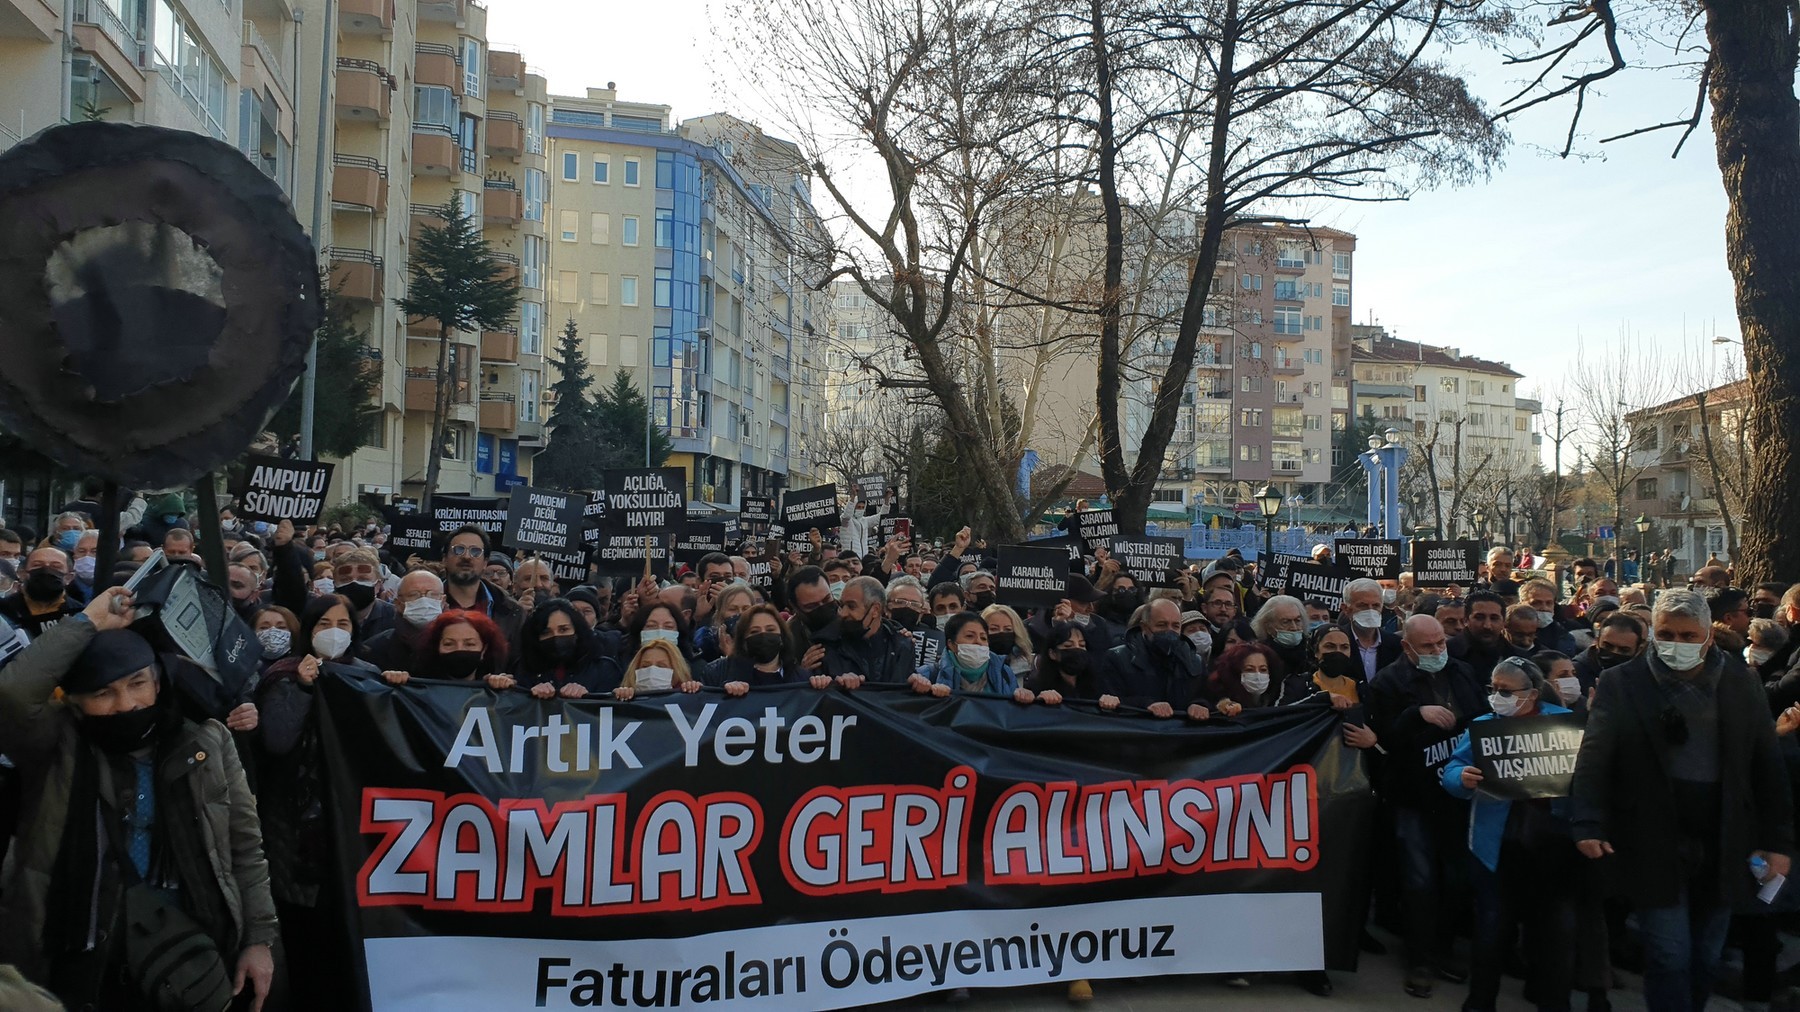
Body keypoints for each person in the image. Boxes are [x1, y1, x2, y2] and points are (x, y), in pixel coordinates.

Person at [0, 587, 277, 1011]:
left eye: (137, 684)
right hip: (81, 956)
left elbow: (243, 845)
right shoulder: (58, 745)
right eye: (103, 693)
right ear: (74, 700)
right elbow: (14, 695)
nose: (126, 705)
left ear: (158, 681)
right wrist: (87, 622)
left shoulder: (204, 740)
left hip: (187, 950)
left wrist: (258, 939)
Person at [1573, 588, 1793, 1012]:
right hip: (1653, 836)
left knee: (1706, 953)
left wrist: (1778, 842)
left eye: (1689, 635)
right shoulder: (1625, 682)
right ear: (1652, 634)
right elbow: (1595, 757)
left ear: (1709, 636)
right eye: (1667, 633)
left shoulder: (1738, 681)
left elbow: (1767, 765)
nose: (1678, 643)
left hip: (1726, 838)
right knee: (1669, 954)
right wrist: (1587, 822)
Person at [255, 594, 380, 1008]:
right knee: (305, 934)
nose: (333, 632)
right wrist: (303, 688)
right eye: (323, 623)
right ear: (307, 631)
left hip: (351, 827)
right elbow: (276, 740)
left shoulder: (368, 676)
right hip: (294, 828)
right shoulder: (283, 675)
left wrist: (394, 689)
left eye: (343, 625)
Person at [1441, 657, 1581, 1012]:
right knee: (1491, 928)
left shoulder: (1564, 725)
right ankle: (1480, 1001)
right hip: (1497, 846)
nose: (1497, 696)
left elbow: (1590, 778)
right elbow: (1452, 770)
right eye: (1494, 689)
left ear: (1532, 694)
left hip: (1553, 846)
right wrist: (1463, 778)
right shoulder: (1485, 725)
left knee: (1554, 933)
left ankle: (1552, 1001)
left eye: (1506, 691)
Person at [1366, 614, 1488, 999]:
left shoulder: (1463, 671)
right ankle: (1419, 959)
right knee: (1419, 879)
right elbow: (1380, 740)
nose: (1438, 651)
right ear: (1407, 647)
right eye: (1428, 646)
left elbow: (1482, 717)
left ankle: (1443, 949)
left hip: (1457, 793)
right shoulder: (1388, 681)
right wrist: (1416, 715)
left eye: (1441, 644)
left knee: (1456, 877)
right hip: (1412, 795)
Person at [1100, 598, 1211, 720]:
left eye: (1175, 626)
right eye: (1162, 625)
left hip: (1182, 736)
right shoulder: (1117, 659)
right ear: (1144, 627)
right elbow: (1109, 703)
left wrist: (1199, 705)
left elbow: (1207, 697)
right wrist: (1146, 705)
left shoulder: (1195, 662)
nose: (1169, 631)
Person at [814, 576, 914, 687]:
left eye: (851, 606)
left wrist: (918, 684)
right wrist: (834, 684)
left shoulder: (902, 645)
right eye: (842, 605)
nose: (843, 613)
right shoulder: (825, 646)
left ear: (875, 610)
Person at [910, 611, 1030, 700]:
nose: (978, 641)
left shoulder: (1005, 673)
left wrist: (1024, 697)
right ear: (952, 644)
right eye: (970, 636)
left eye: (983, 638)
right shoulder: (929, 674)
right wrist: (919, 687)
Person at [516, 600, 622, 699]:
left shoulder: (603, 668)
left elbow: (614, 711)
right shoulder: (524, 670)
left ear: (577, 631)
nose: (556, 636)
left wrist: (588, 697)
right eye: (546, 632)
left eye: (563, 629)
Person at [381, 611, 514, 688]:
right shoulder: (417, 688)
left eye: (470, 644)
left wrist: (504, 688)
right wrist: (395, 681)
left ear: (484, 649)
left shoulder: (493, 690)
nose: (459, 649)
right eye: (449, 644)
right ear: (437, 647)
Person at [439, 526, 524, 645]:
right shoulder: (427, 603)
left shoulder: (512, 611)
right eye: (458, 550)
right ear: (444, 559)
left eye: (475, 552)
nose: (467, 557)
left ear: (485, 563)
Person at [704, 604, 806, 693]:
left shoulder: (802, 678)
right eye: (754, 631)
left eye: (770, 629)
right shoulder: (717, 673)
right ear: (743, 640)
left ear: (782, 637)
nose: (763, 634)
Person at [360, 570, 446, 672]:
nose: (424, 601)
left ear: (443, 601)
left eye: (432, 595)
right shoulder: (374, 649)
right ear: (398, 604)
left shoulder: (460, 643)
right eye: (414, 595)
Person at [0, 546, 80, 638]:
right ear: (22, 574)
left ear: (69, 577)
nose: (46, 570)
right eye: (37, 565)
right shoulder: (3, 611)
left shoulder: (79, 613)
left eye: (56, 566)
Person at [1342, 578, 1403, 682]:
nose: (1370, 610)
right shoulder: (1337, 643)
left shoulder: (1396, 644)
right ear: (1346, 609)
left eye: (1375, 605)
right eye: (1362, 605)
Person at [330, 547, 396, 641]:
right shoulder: (320, 615)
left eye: (363, 579)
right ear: (335, 585)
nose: (354, 584)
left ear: (378, 586)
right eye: (346, 580)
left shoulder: (395, 617)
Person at [1026, 622, 1099, 705]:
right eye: (1068, 646)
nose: (1077, 649)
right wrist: (1040, 702)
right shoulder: (1037, 686)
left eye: (1082, 645)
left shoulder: (1098, 684)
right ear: (1053, 654)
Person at [1450, 591, 1510, 684]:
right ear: (1466, 620)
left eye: (1494, 618)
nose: (1487, 625)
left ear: (1503, 622)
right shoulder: (1447, 655)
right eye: (1479, 617)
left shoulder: (1517, 656)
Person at [1211, 641, 1282, 717]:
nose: (1257, 675)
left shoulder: (1278, 693)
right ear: (1236, 672)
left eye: (1263, 670)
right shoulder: (1219, 697)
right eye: (1249, 670)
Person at [614, 639, 702, 700]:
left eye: (661, 666)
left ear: (676, 671)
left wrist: (697, 692)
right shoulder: (624, 698)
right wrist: (617, 697)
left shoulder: (687, 697)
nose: (652, 669)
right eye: (645, 666)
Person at [1250, 594, 1309, 676]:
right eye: (1285, 622)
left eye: (1297, 620)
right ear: (1268, 627)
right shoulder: (1257, 657)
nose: (1294, 627)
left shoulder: (1310, 653)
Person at [981, 604, 1034, 685]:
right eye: (994, 629)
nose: (1001, 633)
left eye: (1008, 629)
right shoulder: (972, 666)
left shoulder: (1030, 666)